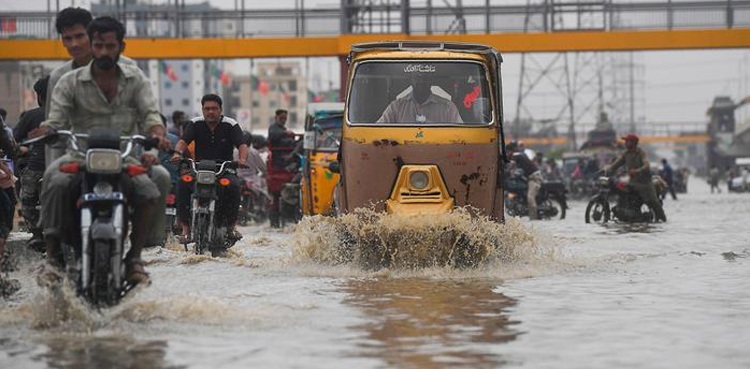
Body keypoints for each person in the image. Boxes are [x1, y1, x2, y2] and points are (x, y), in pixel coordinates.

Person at [34, 16, 171, 286]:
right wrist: (48, 129)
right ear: (92, 46)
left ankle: (135, 257)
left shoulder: (136, 78)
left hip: (125, 155)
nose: (103, 52)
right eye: (98, 46)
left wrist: (157, 134)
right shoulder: (68, 81)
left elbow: (150, 115)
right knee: (52, 178)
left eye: (110, 46)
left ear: (121, 46)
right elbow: (56, 118)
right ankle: (51, 258)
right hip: (79, 155)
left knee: (159, 179)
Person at [171, 94, 248, 249]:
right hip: (199, 168)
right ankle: (185, 228)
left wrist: (242, 160)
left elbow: (242, 145)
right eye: (207, 109)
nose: (210, 112)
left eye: (214, 109)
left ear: (220, 109)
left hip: (223, 170)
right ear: (202, 110)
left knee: (234, 186)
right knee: (182, 183)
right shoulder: (194, 123)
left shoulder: (231, 124)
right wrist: (177, 153)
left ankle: (231, 227)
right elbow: (183, 141)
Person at [13, 76, 49, 252]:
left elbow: (14, 139)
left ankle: (36, 234)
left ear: (39, 97)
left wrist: (18, 149)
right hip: (64, 166)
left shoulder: (31, 115)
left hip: (37, 167)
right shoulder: (74, 114)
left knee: (26, 200)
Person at [605, 133, 667, 222]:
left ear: (633, 142)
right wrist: (608, 169)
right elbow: (617, 164)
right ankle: (622, 209)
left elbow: (646, 165)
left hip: (644, 183)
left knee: (654, 202)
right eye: (625, 141)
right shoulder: (625, 154)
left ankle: (663, 219)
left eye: (627, 141)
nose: (625, 143)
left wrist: (637, 171)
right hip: (632, 182)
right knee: (620, 189)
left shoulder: (641, 153)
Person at [377, 72, 463, 124]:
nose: (421, 81)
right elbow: (378, 131)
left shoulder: (448, 107)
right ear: (411, 79)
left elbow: (461, 135)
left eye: (425, 78)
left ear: (431, 80)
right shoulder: (396, 107)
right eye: (418, 77)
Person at [267, 109, 299, 228]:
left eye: (285, 118)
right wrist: (286, 134)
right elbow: (273, 137)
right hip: (279, 162)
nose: (283, 120)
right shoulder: (274, 129)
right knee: (275, 198)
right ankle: (275, 222)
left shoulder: (283, 129)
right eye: (281, 118)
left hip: (286, 164)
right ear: (276, 117)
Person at [506, 140, 542, 220]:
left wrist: (506, 172)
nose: (507, 154)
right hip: (528, 178)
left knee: (530, 197)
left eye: (507, 152)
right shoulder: (520, 154)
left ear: (510, 151)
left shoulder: (516, 155)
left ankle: (534, 218)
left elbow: (510, 166)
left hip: (534, 178)